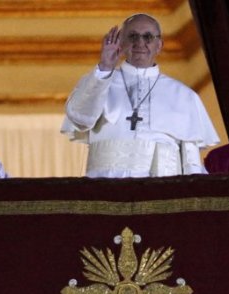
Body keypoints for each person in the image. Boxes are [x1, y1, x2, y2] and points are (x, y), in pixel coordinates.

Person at [61, 13, 219, 178]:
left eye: (148, 37)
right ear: (121, 43)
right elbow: (81, 119)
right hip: (105, 191)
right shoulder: (99, 79)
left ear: (159, 45)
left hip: (162, 192)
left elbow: (190, 160)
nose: (140, 43)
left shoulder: (185, 96)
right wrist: (105, 67)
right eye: (133, 36)